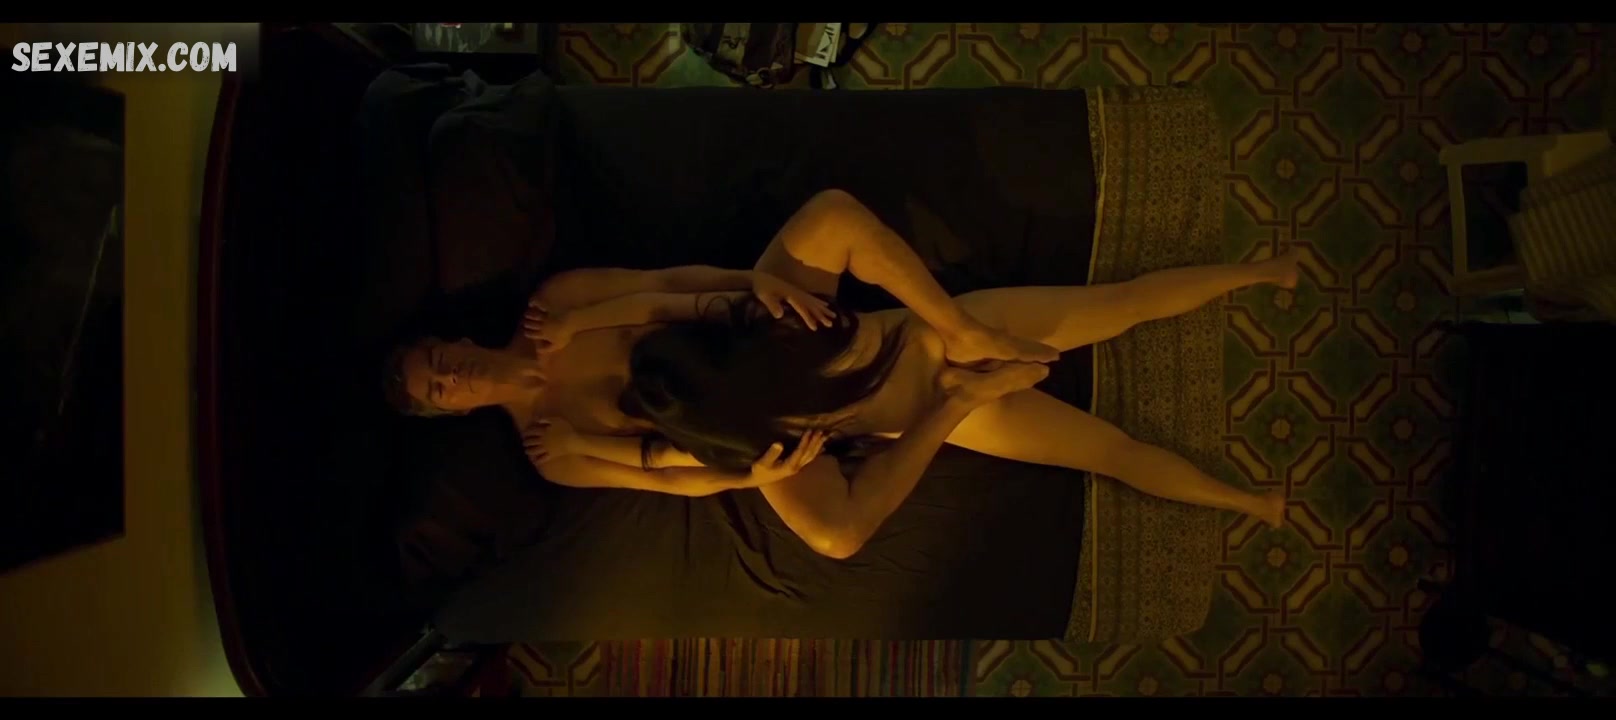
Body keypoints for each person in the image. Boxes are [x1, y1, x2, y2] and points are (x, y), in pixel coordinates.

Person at [386, 189, 1295, 559]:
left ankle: (1260, 273)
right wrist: (758, 472)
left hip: (781, 336)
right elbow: (668, 476)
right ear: (448, 413)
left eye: (436, 359)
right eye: (438, 389)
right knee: (838, 533)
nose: (451, 375)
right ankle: (1250, 502)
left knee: (1118, 304)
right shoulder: (550, 449)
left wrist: (758, 290)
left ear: (448, 338)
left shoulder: (556, 304)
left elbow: (680, 288)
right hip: (771, 428)